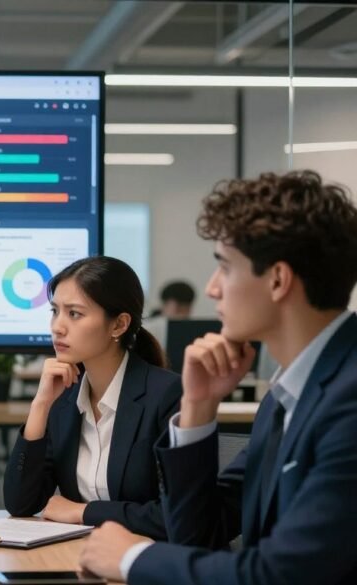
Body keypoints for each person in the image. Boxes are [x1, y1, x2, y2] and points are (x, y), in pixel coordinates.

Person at [79, 170, 357, 584]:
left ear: (278, 279)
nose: (211, 289)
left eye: (224, 268)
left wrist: (132, 558)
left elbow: (282, 575)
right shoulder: (289, 395)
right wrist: (198, 408)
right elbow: (198, 535)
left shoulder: (348, 401)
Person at [3, 256, 181, 539]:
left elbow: (177, 515)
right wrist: (40, 406)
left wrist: (83, 512)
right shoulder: (63, 396)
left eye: (74, 314)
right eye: (54, 311)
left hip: (150, 560)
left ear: (119, 325)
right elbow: (21, 503)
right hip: (85, 555)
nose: (57, 327)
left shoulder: (166, 394)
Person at [143, 280, 196, 350]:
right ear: (164, 305)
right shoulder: (148, 328)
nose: (182, 315)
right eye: (178, 309)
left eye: (186, 309)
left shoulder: (192, 328)